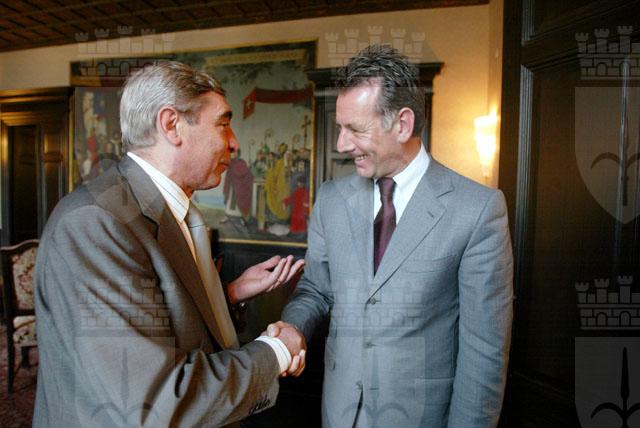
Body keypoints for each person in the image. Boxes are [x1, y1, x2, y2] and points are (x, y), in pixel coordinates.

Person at [33, 61, 306, 427]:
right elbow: (157, 401)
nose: (234, 142)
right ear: (171, 124)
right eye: (223, 124)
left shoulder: (167, 209)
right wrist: (277, 352)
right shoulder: (96, 222)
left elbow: (158, 320)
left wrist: (228, 295)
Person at [272, 45, 514, 427]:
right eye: (340, 128)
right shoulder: (331, 199)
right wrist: (293, 327)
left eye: (355, 129)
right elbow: (316, 289)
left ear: (402, 124)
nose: (341, 144)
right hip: (339, 413)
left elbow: (484, 351)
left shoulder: (478, 209)